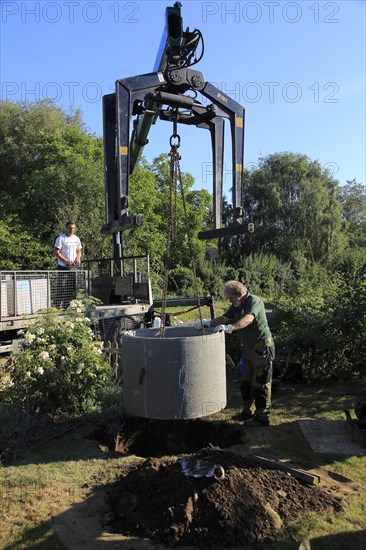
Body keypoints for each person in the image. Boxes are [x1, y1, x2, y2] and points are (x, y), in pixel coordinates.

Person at [197, 280, 274, 427]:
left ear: (239, 294)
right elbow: (224, 318)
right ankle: (247, 412)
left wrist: (230, 328)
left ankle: (262, 417)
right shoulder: (236, 305)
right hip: (248, 348)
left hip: (261, 346)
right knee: (246, 381)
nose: (229, 300)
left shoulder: (254, 301)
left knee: (261, 382)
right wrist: (208, 323)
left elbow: (248, 319)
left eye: (230, 297)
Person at [53, 220, 82, 308]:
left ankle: (66, 306)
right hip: (63, 266)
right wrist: (66, 260)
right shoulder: (61, 238)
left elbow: (78, 251)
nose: (71, 230)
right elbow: (56, 252)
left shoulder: (76, 239)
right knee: (61, 286)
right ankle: (57, 306)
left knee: (71, 287)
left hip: (72, 267)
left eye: (73, 228)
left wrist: (78, 258)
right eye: (70, 228)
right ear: (66, 228)